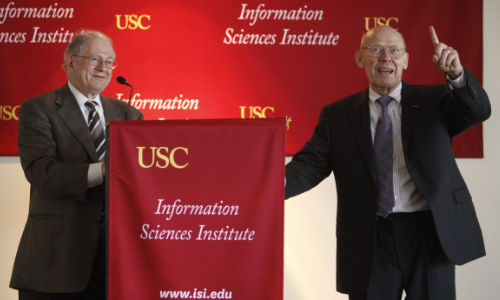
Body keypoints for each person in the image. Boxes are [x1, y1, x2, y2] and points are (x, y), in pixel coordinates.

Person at [285, 25, 490, 300]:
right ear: (360, 58)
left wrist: (456, 75)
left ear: (405, 60)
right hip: (370, 237)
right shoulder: (337, 115)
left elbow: (478, 110)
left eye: (394, 50)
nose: (386, 58)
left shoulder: (435, 102)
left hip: (429, 232)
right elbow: (309, 166)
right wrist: (269, 185)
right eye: (376, 50)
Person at [10, 30, 143, 300]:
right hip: (57, 261)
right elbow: (40, 172)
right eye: (95, 59)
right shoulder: (38, 109)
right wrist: (105, 171)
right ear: (70, 61)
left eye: (110, 61)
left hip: (116, 262)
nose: (103, 68)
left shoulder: (129, 114)